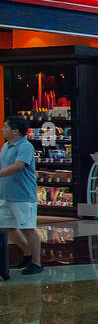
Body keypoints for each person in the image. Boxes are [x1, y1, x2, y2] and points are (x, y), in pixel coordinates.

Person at [0, 116, 41, 277]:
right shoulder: (5, 146)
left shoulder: (25, 146)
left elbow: (18, 166)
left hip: (23, 195)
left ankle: (37, 262)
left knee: (28, 228)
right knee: (7, 227)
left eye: (5, 127)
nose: (3, 129)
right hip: (5, 195)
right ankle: (27, 253)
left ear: (15, 131)